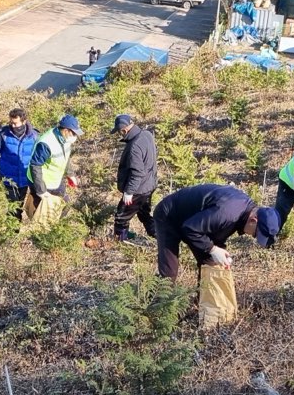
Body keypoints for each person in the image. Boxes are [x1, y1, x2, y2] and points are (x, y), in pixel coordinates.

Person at [152, 184, 281, 280]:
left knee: (211, 263)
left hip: (194, 220)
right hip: (169, 215)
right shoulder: (227, 213)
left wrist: (218, 251)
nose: (252, 237)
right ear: (253, 220)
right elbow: (190, 228)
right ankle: (158, 309)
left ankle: (204, 307)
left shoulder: (244, 211)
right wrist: (213, 249)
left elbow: (214, 230)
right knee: (169, 272)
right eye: (255, 234)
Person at [113, 113, 158, 243]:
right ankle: (160, 236)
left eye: (119, 132)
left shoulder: (134, 147)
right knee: (144, 214)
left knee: (121, 216)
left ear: (124, 130)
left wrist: (129, 192)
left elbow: (137, 172)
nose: (119, 135)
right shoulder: (147, 134)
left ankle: (120, 240)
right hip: (149, 185)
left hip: (138, 189)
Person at [0, 108, 38, 207]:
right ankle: (14, 220)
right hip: (8, 177)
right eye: (11, 122)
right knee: (13, 207)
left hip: (25, 177)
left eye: (15, 123)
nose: (12, 126)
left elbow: (39, 157)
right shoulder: (3, 134)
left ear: (24, 121)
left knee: (21, 204)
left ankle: (19, 220)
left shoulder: (34, 136)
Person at [30, 115, 80, 199]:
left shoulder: (66, 139)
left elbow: (65, 157)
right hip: (42, 183)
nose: (75, 136)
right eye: (74, 133)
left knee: (64, 206)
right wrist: (41, 190)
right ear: (66, 131)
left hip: (56, 182)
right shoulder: (46, 143)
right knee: (43, 210)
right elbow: (35, 165)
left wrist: (70, 174)